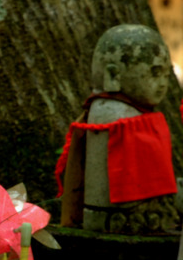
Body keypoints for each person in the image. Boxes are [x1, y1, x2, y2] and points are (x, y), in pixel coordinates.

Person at [56, 24, 179, 234]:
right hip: (114, 213)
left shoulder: (134, 112)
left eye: (166, 75)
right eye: (155, 73)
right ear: (113, 75)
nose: (162, 84)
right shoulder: (112, 113)